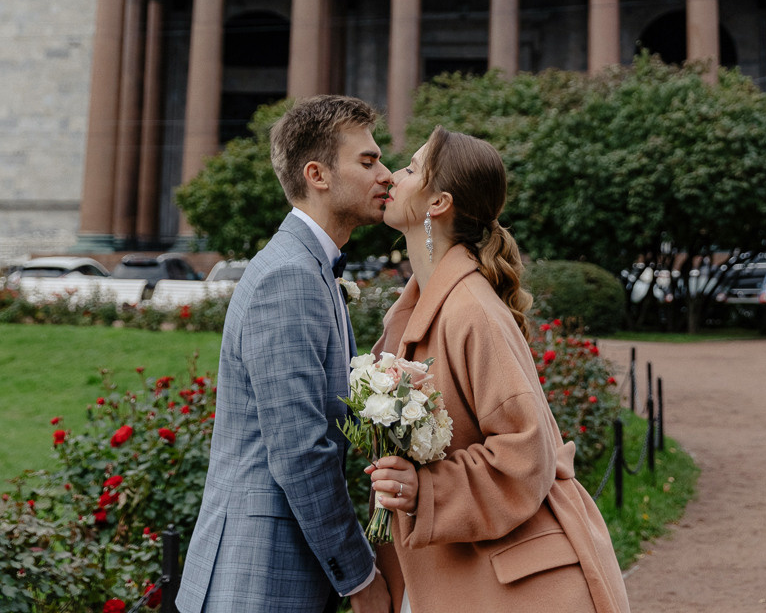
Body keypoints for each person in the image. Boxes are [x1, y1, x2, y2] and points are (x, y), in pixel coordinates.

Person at [368, 126, 629, 613]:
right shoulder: (423, 306)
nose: (392, 177)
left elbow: (525, 453)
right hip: (458, 577)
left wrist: (426, 489)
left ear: (438, 203)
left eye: (410, 169)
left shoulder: (472, 310)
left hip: (518, 589)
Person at [177, 96, 395, 613]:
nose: (386, 175)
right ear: (317, 175)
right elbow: (300, 449)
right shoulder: (290, 276)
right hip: (257, 577)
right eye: (368, 161)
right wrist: (360, 578)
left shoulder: (312, 268)